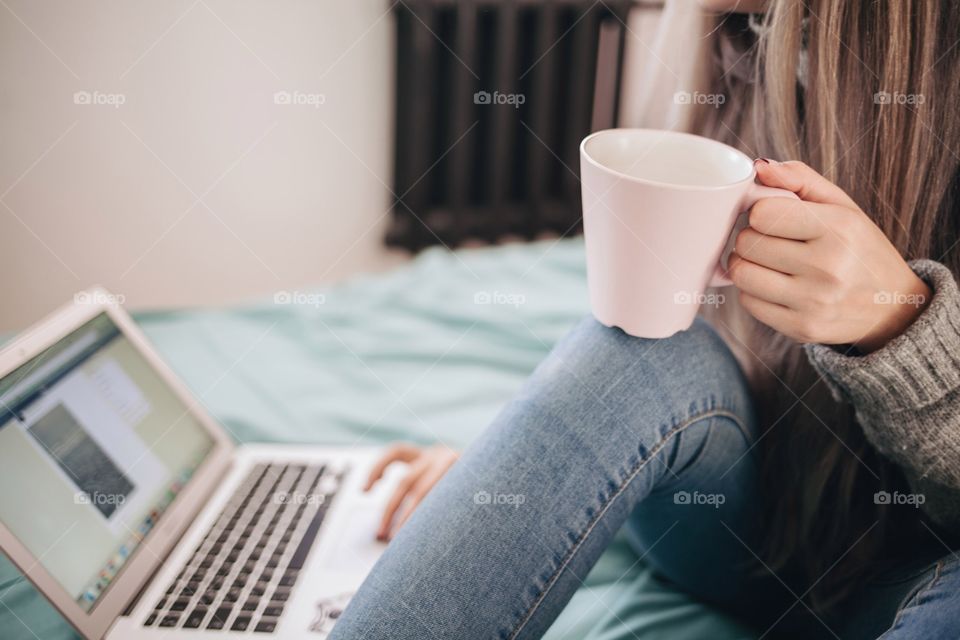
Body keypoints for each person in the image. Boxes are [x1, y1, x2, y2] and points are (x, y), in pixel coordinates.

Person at [330, 1, 960, 638]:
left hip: (928, 574)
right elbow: (677, 371)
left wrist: (902, 327)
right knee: (642, 348)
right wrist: (518, 483)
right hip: (749, 534)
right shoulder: (738, 38)